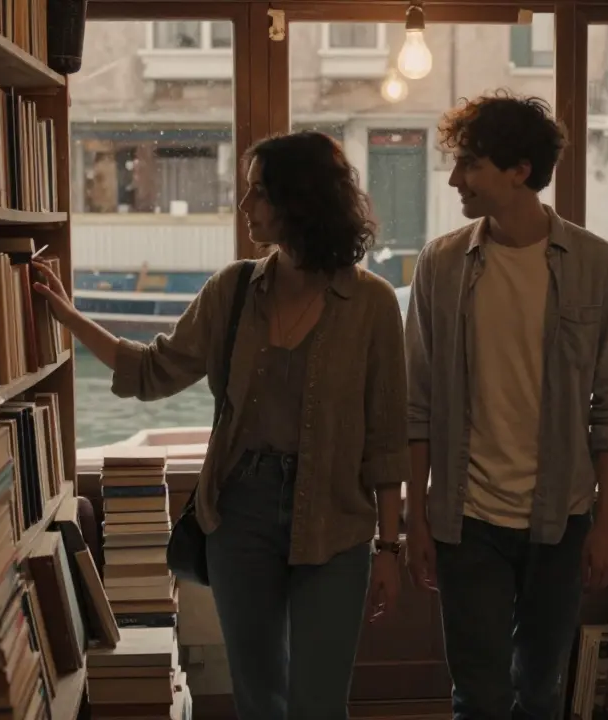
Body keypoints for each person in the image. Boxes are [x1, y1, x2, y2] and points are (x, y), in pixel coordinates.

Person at [32, 131, 410, 720]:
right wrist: (68, 316)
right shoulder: (233, 290)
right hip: (241, 512)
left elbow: (387, 439)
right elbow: (152, 370)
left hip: (337, 517)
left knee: (319, 701)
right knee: (258, 696)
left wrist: (389, 547)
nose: (244, 205)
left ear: (300, 199)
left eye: (259, 192)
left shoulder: (372, 304)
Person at [403, 92, 608, 719]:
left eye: (470, 164)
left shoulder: (596, 265)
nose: (454, 179)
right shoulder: (441, 264)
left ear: (520, 171)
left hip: (561, 521)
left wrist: (607, 525)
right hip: (466, 521)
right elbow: (416, 403)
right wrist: (415, 515)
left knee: (539, 691)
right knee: (478, 696)